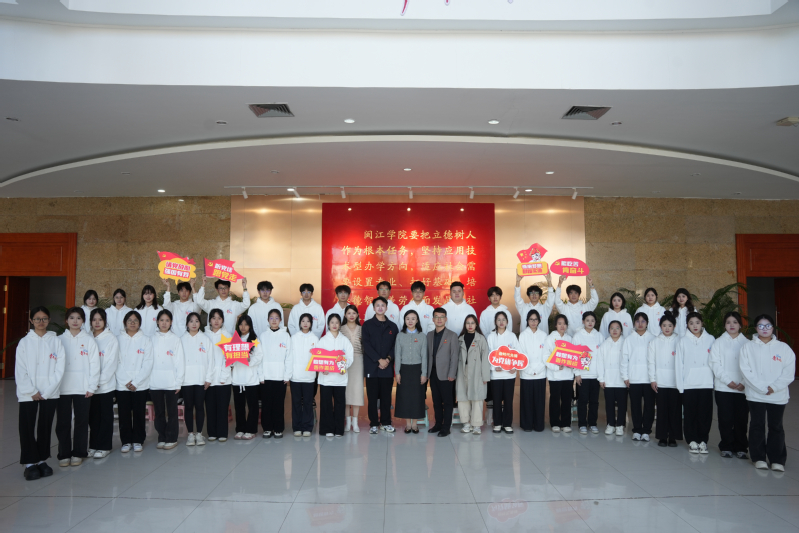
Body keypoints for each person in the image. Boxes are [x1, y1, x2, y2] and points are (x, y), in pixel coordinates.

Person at [739, 314, 795, 471]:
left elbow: (788, 372)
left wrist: (774, 387)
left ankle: (777, 460)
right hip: (755, 394)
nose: (765, 329)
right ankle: (758, 457)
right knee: (757, 425)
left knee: (776, 426)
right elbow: (745, 371)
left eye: (768, 325)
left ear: (773, 327)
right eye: (761, 326)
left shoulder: (784, 348)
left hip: (778, 395)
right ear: (756, 328)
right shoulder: (748, 347)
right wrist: (761, 388)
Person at [16, 306, 65, 480]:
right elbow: (20, 370)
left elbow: (60, 368)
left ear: (49, 320)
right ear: (31, 321)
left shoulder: (56, 341)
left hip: (49, 392)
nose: (41, 322)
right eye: (37, 319)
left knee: (45, 426)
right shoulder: (24, 342)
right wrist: (32, 391)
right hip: (28, 393)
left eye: (44, 318)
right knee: (27, 426)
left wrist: (48, 390)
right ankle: (30, 463)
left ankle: (42, 459)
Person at [56, 307, 100, 467]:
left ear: (83, 321)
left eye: (79, 318)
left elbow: (95, 364)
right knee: (63, 422)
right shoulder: (59, 340)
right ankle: (64, 454)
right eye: (72, 318)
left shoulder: (89, 340)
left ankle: (79, 452)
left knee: (81, 421)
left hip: (83, 388)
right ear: (66, 320)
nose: (75, 321)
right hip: (62, 388)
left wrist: (91, 386)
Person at [710, 311, 750, 459]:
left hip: (743, 388)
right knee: (725, 419)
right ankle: (726, 446)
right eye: (728, 322)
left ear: (740, 325)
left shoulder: (747, 343)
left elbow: (751, 366)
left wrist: (743, 382)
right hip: (723, 388)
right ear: (724, 325)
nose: (731, 325)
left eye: (735, 322)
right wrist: (727, 381)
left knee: (741, 419)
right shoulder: (718, 342)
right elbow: (715, 363)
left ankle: (741, 447)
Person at [676, 312, 715, 454]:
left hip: (706, 383)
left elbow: (715, 362)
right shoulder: (682, 341)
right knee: (690, 414)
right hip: (689, 384)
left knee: (705, 414)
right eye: (691, 323)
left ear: (702, 323)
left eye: (697, 322)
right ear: (687, 325)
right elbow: (679, 364)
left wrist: (714, 382)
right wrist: (680, 386)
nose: (695, 326)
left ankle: (703, 440)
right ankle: (692, 440)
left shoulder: (711, 339)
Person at [116, 310, 153, 453]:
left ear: (140, 323)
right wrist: (126, 381)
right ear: (124, 322)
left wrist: (136, 382)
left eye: (136, 320)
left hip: (140, 385)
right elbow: (116, 362)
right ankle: (126, 441)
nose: (132, 323)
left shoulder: (146, 340)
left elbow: (148, 362)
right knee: (124, 413)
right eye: (130, 320)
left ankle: (138, 440)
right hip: (122, 384)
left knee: (139, 413)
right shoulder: (118, 339)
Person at [362, 297, 399, 434]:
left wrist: (387, 359)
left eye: (382, 305)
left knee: (386, 398)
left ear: (386, 308)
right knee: (372, 398)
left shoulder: (393, 326)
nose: (380, 307)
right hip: (372, 367)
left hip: (387, 368)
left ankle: (386, 422)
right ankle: (373, 423)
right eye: (377, 305)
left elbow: (395, 346)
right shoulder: (367, 325)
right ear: (373, 308)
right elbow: (366, 345)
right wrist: (379, 360)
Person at [150, 309, 185, 450]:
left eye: (167, 320)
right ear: (157, 322)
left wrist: (178, 382)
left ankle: (171, 438)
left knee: (172, 412)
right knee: (158, 412)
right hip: (154, 382)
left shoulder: (175, 339)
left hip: (171, 382)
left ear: (171, 323)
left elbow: (180, 362)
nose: (164, 323)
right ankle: (162, 437)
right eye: (161, 320)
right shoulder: (151, 339)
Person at [88, 309, 119, 459]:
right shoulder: (87, 338)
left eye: (100, 319)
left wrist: (98, 381)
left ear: (105, 321)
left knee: (105, 416)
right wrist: (91, 383)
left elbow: (111, 364)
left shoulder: (111, 339)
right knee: (93, 416)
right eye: (94, 319)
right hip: (90, 386)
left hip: (105, 385)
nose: (97, 322)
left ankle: (104, 446)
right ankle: (93, 445)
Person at [317, 314, 354, 437]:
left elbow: (349, 356)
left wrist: (344, 366)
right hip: (326, 378)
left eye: (337, 322)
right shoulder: (323, 340)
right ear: (328, 324)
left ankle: (338, 429)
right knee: (326, 404)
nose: (334, 325)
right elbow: (317, 357)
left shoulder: (344, 340)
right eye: (332, 322)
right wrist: (322, 368)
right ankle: (327, 429)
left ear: (340, 324)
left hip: (340, 378)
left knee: (339, 404)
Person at [648, 312, 681, 447]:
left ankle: (673, 437)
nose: (667, 328)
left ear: (674, 326)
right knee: (661, 410)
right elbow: (651, 362)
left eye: (670, 325)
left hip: (675, 382)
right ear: (660, 326)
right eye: (664, 325)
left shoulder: (680, 341)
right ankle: (662, 437)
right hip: (660, 381)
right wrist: (653, 379)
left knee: (674, 410)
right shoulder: (655, 341)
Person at [621, 312, 656, 441]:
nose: (640, 324)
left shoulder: (653, 338)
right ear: (634, 323)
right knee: (635, 406)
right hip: (634, 378)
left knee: (649, 406)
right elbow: (624, 359)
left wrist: (654, 378)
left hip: (649, 379)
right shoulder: (629, 339)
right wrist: (625, 376)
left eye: (643, 321)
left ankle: (646, 430)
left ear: (647, 323)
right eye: (637, 321)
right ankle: (636, 430)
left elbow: (655, 360)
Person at [181, 312, 214, 446]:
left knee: (200, 406)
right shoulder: (181, 339)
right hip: (186, 379)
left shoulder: (205, 339)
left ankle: (199, 434)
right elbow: (178, 361)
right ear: (187, 324)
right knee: (188, 406)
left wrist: (208, 378)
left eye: (196, 321)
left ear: (200, 323)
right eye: (191, 321)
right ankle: (190, 434)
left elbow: (211, 360)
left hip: (201, 379)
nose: (194, 324)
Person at [426, 307, 459, 437]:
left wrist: (452, 373)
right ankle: (438, 424)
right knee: (436, 401)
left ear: (446, 319)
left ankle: (446, 427)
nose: (439, 319)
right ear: (433, 319)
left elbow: (455, 356)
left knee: (448, 402)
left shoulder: (452, 335)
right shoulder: (429, 335)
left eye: (442, 317)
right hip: (433, 373)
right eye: (436, 317)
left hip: (446, 374)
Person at [259, 309, 291, 438]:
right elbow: (259, 357)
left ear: (280, 320)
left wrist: (287, 375)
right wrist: (260, 375)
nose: (274, 320)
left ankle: (278, 428)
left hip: (280, 376)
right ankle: (267, 428)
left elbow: (289, 357)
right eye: (271, 318)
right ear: (268, 320)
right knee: (266, 404)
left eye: (276, 318)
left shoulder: (285, 336)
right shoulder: (262, 336)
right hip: (266, 376)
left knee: (278, 404)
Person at [394, 310, 428, 433]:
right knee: (405, 397)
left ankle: (415, 424)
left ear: (417, 320)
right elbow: (397, 355)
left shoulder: (422, 336)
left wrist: (424, 373)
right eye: (407, 318)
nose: (410, 321)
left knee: (417, 397)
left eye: (413, 318)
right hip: (404, 369)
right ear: (404, 320)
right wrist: (397, 372)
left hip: (417, 369)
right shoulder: (400, 335)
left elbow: (424, 356)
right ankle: (408, 424)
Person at [286, 313, 318, 437]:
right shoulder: (293, 338)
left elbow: (318, 358)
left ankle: (307, 427)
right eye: (303, 321)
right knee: (296, 403)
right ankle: (297, 427)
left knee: (308, 403)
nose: (305, 323)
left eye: (308, 321)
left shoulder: (315, 339)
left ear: (311, 323)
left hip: (309, 377)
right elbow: (289, 356)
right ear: (299, 323)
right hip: (295, 376)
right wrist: (289, 373)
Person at [487, 311, 520, 434]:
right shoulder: (491, 336)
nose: (501, 322)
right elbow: (488, 354)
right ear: (495, 322)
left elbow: (517, 353)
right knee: (496, 400)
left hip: (509, 374)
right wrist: (493, 367)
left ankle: (507, 424)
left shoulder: (512, 336)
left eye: (503, 320)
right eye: (499, 320)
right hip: (496, 375)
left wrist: (514, 367)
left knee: (508, 400)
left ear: (507, 322)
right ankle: (497, 423)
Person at [231, 315, 263, 440]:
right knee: (239, 406)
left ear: (250, 326)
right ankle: (240, 429)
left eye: (246, 324)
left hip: (251, 379)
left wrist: (249, 360)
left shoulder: (255, 340)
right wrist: (233, 359)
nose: (243, 327)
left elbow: (259, 356)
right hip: (237, 379)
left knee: (252, 406)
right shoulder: (235, 340)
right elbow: (228, 357)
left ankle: (251, 430)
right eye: (241, 324)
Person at [457, 315, 490, 434]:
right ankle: (466, 423)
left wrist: (485, 376)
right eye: (468, 323)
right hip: (462, 371)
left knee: (477, 398)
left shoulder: (481, 339)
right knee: (463, 398)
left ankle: (476, 425)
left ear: (476, 325)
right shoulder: (460, 339)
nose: (470, 325)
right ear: (465, 325)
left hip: (477, 371)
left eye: (472, 323)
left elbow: (485, 358)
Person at [573, 311, 604, 435]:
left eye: (592, 320)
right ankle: (582, 424)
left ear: (595, 322)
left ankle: (592, 423)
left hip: (596, 375)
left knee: (594, 401)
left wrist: (601, 376)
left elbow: (602, 357)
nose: (590, 323)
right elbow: (575, 356)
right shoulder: (578, 336)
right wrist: (577, 373)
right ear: (583, 321)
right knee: (583, 400)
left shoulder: (599, 336)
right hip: (583, 375)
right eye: (587, 320)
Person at [204, 308, 233, 442]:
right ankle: (212, 432)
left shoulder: (228, 336)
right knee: (210, 407)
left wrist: (223, 377)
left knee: (222, 407)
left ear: (223, 320)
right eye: (213, 318)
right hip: (208, 379)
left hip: (224, 380)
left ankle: (222, 433)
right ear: (209, 320)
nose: (216, 321)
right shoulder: (204, 336)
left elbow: (229, 359)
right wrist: (207, 377)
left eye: (219, 318)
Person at [518, 310, 548, 432]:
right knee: (527, 401)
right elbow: (521, 354)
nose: (533, 322)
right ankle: (527, 425)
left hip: (541, 373)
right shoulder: (523, 335)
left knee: (539, 401)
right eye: (531, 319)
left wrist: (538, 369)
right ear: (527, 321)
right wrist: (530, 369)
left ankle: (539, 425)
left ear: (539, 321)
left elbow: (546, 354)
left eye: (535, 319)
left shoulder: (544, 335)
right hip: (526, 373)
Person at [544, 314, 575, 432]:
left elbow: (574, 356)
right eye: (559, 323)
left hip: (568, 375)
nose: (562, 326)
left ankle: (566, 423)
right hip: (555, 376)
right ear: (555, 325)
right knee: (555, 400)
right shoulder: (550, 338)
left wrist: (571, 364)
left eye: (564, 323)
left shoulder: (570, 339)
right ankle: (555, 423)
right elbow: (546, 357)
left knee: (567, 400)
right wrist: (556, 367)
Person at [596, 321, 627, 436]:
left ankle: (620, 425)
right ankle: (610, 424)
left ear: (621, 330)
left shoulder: (625, 343)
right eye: (612, 328)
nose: (614, 330)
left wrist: (627, 377)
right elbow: (600, 362)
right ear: (608, 330)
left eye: (617, 328)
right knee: (609, 404)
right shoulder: (605, 344)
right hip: (608, 380)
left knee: (622, 404)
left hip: (622, 380)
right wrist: (601, 378)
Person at [341, 304, 364, 432]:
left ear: (357, 315)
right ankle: (347, 422)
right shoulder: (340, 329)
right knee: (346, 393)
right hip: (343, 362)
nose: (351, 315)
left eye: (354, 313)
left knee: (356, 391)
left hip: (358, 361)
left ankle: (355, 423)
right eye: (349, 313)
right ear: (345, 315)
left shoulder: (362, 329)